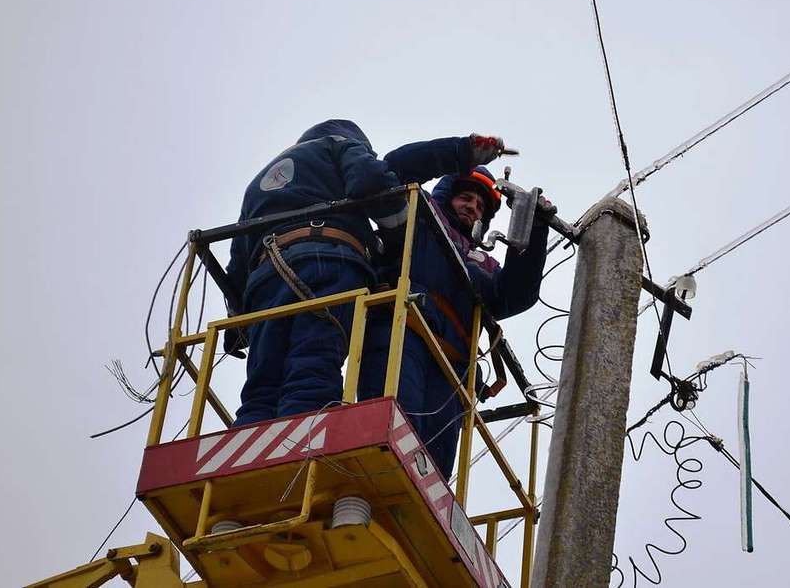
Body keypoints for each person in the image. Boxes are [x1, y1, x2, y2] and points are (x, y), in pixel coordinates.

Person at [358, 137, 552, 477]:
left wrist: (534, 228)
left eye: (480, 206)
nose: (473, 207)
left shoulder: (483, 264)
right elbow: (392, 169)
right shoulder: (416, 213)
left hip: (452, 367)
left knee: (433, 471)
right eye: (466, 197)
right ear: (447, 194)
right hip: (402, 332)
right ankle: (364, 499)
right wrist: (460, 152)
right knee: (388, 431)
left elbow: (515, 294)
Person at [226, 119, 408, 426]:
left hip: (265, 279)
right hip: (328, 264)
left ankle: (249, 450)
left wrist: (236, 326)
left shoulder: (258, 182)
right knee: (312, 363)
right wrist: (400, 227)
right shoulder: (339, 146)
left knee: (262, 383)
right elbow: (369, 181)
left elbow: (237, 262)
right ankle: (304, 450)